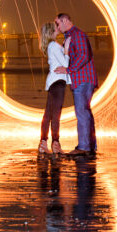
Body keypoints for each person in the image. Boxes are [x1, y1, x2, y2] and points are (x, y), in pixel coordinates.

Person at [54, 12, 97, 157]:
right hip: (82, 79)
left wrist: (69, 70)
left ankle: (84, 147)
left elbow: (84, 55)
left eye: (58, 23)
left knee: (82, 113)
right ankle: (90, 146)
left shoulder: (76, 34)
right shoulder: (69, 36)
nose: (57, 27)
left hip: (82, 80)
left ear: (65, 20)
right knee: (85, 113)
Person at [38, 21, 68, 158]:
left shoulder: (52, 46)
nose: (58, 28)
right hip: (58, 82)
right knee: (55, 115)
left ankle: (43, 143)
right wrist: (66, 49)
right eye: (56, 28)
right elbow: (66, 63)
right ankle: (55, 144)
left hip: (53, 82)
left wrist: (62, 47)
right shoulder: (54, 46)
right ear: (51, 32)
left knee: (48, 114)